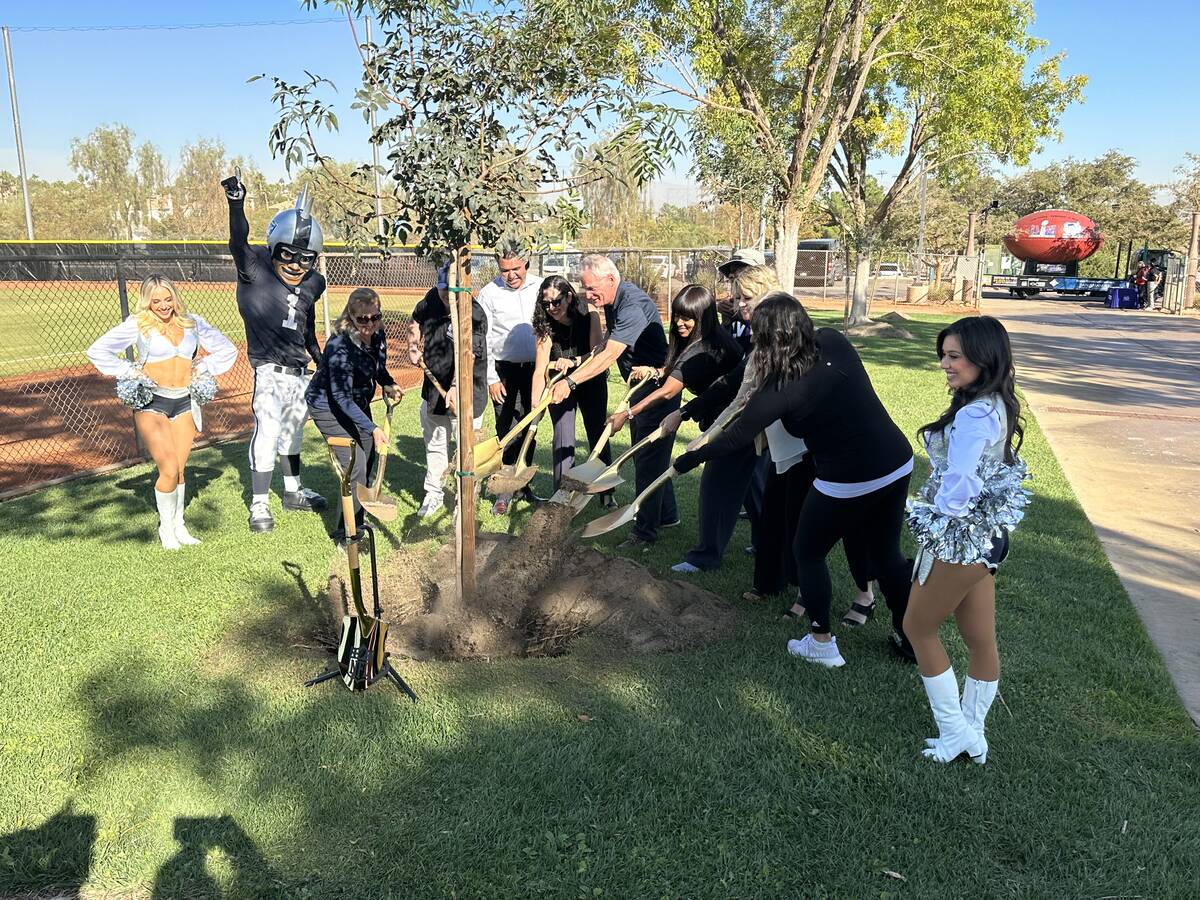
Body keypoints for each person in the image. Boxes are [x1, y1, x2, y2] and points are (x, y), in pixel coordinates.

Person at [674, 293, 916, 667]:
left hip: (847, 477)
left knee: (808, 551)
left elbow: (738, 436)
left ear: (772, 339)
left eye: (758, 335)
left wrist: (690, 459)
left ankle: (821, 642)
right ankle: (911, 638)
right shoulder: (833, 339)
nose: (753, 341)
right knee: (888, 555)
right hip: (897, 462)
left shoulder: (783, 388)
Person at [903, 316, 1029, 765]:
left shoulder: (975, 413)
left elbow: (960, 478)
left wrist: (943, 517)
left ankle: (957, 731)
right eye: (944, 355)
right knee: (979, 637)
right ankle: (974, 732)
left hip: (962, 540)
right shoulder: (995, 402)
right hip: (990, 540)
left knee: (917, 627)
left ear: (983, 358)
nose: (945, 364)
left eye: (954, 356)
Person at [87, 274, 237, 549]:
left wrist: (202, 367)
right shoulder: (138, 325)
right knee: (167, 468)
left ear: (175, 297)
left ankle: (179, 524)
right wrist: (129, 370)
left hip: (185, 400)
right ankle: (166, 529)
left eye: (168, 299)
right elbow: (98, 351)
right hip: (152, 402)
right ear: (147, 302)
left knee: (179, 469)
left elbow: (227, 350)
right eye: (156, 301)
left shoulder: (192, 322)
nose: (164, 305)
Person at [609, 284, 744, 571]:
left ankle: (654, 535)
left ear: (704, 318)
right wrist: (656, 370)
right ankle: (668, 517)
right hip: (721, 414)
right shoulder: (698, 339)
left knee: (720, 487)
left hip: (737, 420)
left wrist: (627, 413)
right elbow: (673, 374)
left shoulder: (703, 347)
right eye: (677, 315)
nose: (680, 323)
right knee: (750, 484)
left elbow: (669, 391)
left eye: (689, 317)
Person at [222, 173, 328, 533]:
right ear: (274, 248)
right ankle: (259, 503)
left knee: (294, 434)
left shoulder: (314, 283)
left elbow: (306, 327)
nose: (297, 265)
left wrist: (321, 359)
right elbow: (239, 241)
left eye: (306, 258)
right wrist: (236, 204)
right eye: (288, 255)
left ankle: (293, 491)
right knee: (267, 432)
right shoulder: (254, 269)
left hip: (300, 372)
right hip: (268, 371)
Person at [549, 254, 677, 549]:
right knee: (651, 456)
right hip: (641, 385)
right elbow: (604, 345)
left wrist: (571, 382)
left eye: (592, 288)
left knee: (646, 460)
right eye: (585, 289)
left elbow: (610, 355)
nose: (587, 295)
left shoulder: (631, 304)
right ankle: (667, 515)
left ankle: (643, 533)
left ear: (610, 279)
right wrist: (577, 362)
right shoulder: (614, 301)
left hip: (655, 387)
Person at [305, 288, 402, 546]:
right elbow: (340, 397)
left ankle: (358, 517)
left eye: (374, 317)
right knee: (355, 465)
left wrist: (388, 383)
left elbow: (379, 368)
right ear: (351, 316)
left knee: (368, 455)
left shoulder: (378, 332)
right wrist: (371, 427)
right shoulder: (339, 345)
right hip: (327, 405)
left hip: (355, 402)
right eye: (363, 319)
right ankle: (345, 534)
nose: (369, 324)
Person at [409, 262, 489, 519]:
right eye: (443, 288)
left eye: (451, 290)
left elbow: (469, 356)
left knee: (465, 451)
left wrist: (456, 387)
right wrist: (413, 344)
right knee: (434, 445)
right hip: (433, 393)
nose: (446, 295)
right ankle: (433, 494)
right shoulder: (432, 298)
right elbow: (415, 320)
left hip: (467, 395)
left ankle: (464, 501)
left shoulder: (474, 314)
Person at [474, 237, 541, 515]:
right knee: (507, 429)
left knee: (531, 427)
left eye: (517, 268)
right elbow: (485, 338)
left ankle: (523, 486)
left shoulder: (540, 286)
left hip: (537, 370)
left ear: (526, 262)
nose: (512, 275)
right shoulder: (489, 293)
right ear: (498, 268)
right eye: (505, 270)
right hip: (504, 371)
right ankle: (504, 492)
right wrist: (491, 378)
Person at [529, 275, 611, 498]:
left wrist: (574, 361)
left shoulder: (589, 312)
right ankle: (562, 494)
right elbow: (540, 368)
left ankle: (605, 490)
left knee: (597, 430)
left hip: (589, 377)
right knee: (563, 433)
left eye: (557, 302)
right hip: (558, 382)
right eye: (546, 304)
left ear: (569, 297)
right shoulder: (543, 323)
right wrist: (536, 404)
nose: (551, 308)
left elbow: (597, 353)